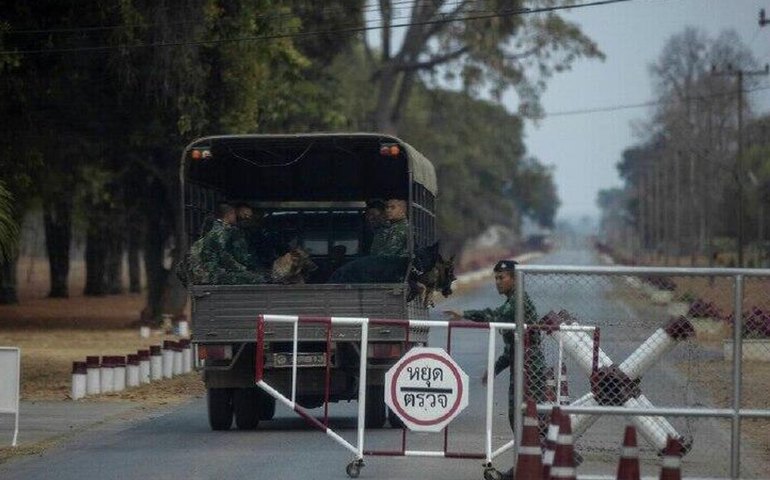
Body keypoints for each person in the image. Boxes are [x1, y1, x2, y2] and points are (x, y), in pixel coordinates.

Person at [443, 259, 545, 480]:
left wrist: (465, 314)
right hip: (520, 364)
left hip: (529, 368)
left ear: (515, 278)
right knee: (517, 418)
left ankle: (533, 467)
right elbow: (511, 347)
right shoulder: (513, 300)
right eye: (496, 278)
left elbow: (496, 316)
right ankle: (523, 468)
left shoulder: (518, 302)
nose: (498, 282)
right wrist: (494, 368)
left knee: (525, 419)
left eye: (502, 278)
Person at [189, 203, 267, 284]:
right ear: (229, 214)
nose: (235, 217)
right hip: (211, 275)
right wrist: (242, 269)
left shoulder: (213, 228)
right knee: (257, 279)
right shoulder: (220, 232)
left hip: (206, 273)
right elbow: (224, 256)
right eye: (234, 214)